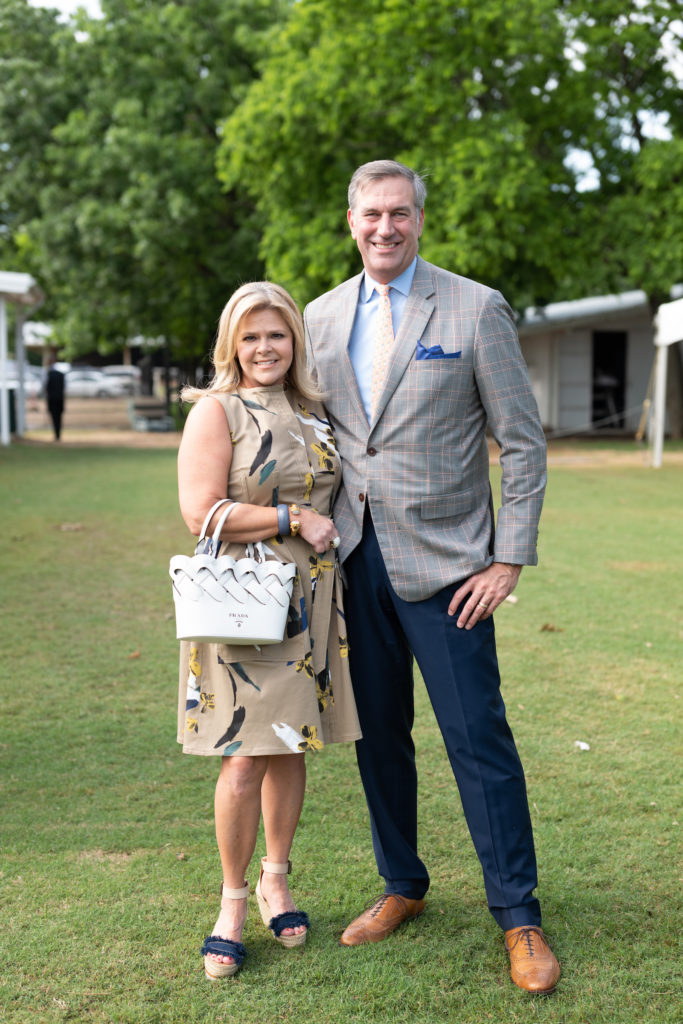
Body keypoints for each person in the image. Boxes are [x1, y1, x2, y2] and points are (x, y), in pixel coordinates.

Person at [303, 160, 560, 995]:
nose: (385, 227)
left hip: (451, 568)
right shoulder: (319, 316)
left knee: (477, 740)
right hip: (352, 560)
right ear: (350, 220)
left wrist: (507, 558)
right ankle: (402, 885)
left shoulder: (473, 307)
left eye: (400, 214)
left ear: (419, 219)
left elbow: (520, 441)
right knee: (377, 737)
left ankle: (517, 914)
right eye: (371, 214)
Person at [176, 281, 361, 981]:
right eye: (250, 336)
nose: (264, 348)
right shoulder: (216, 411)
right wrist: (292, 521)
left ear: (294, 342)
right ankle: (230, 903)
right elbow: (201, 513)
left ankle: (275, 878)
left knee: (290, 748)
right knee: (243, 755)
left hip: (313, 599)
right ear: (232, 344)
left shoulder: (315, 412)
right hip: (244, 603)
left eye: (276, 335)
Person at [45, 357, 65, 441]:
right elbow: (64, 386)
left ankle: (56, 434)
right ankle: (58, 435)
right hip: (60, 398)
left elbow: (45, 386)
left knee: (53, 416)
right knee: (59, 417)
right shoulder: (61, 374)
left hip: (51, 399)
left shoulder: (47, 374)